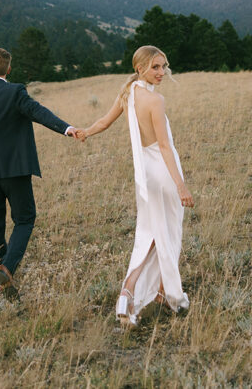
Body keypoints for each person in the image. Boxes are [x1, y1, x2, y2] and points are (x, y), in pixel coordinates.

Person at [79, 45, 193, 328]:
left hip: (145, 174)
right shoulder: (156, 101)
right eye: (155, 67)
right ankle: (160, 293)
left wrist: (85, 132)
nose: (161, 72)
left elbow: (104, 122)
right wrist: (182, 185)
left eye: (163, 66)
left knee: (151, 233)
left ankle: (138, 292)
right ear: (139, 68)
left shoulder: (127, 94)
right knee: (165, 233)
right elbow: (165, 147)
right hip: (164, 173)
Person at [0, 46, 80, 298]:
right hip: (16, 169)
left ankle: (2, 274)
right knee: (24, 219)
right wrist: (66, 128)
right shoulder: (16, 91)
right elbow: (38, 112)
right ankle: (7, 268)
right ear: (8, 69)